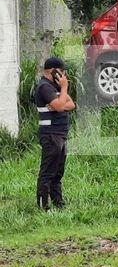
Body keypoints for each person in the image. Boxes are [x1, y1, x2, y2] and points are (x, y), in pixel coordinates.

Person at [35, 57, 76, 210]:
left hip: (60, 134)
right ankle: (43, 207)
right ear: (52, 71)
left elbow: (71, 105)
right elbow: (59, 106)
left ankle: (59, 205)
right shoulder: (45, 87)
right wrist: (64, 89)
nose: (64, 75)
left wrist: (60, 102)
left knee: (57, 173)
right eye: (61, 71)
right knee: (47, 172)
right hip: (50, 135)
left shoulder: (54, 86)